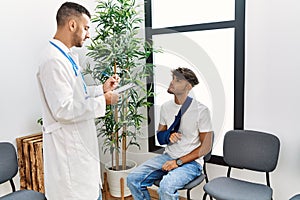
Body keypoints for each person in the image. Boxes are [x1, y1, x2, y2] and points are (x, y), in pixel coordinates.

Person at [36, 2, 119, 200]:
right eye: (86, 28)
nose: (88, 34)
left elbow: (76, 95)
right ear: (72, 25)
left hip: (80, 153)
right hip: (69, 161)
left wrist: (101, 90)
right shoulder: (53, 60)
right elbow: (63, 110)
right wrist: (103, 102)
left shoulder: (66, 56)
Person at [127, 67, 213, 200]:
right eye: (172, 79)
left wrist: (178, 162)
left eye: (178, 80)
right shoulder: (166, 107)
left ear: (188, 87)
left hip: (191, 163)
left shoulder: (201, 111)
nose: (172, 82)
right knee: (133, 178)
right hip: (168, 157)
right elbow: (160, 137)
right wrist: (168, 136)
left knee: (166, 187)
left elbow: (206, 147)